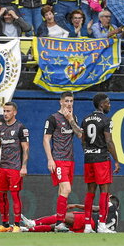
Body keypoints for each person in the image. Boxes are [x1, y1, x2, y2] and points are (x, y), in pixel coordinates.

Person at [43, 91, 82, 232]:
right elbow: (46, 139)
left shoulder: (73, 117)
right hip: (58, 159)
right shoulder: (53, 118)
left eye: (71, 101)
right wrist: (50, 159)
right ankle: (60, 222)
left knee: (62, 191)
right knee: (67, 189)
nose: (69, 104)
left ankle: (59, 222)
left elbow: (79, 135)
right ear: (61, 102)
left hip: (70, 160)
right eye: (66, 101)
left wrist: (71, 119)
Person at [81, 93, 120, 233]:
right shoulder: (106, 120)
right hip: (101, 159)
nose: (109, 105)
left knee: (90, 192)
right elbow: (108, 141)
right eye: (108, 103)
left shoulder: (85, 119)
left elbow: (83, 139)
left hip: (88, 159)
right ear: (101, 104)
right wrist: (116, 160)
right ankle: (102, 225)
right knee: (104, 192)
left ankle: (87, 226)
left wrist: (87, 151)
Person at [0, 102, 29, 233]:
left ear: (14, 112)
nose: (5, 114)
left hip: (15, 167)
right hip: (3, 167)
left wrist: (24, 166)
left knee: (15, 195)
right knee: (1, 195)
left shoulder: (21, 127)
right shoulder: (0, 129)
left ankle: (16, 225)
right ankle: (5, 225)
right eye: (4, 111)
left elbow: (26, 148)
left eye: (8, 111)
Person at [20, 195, 119, 233]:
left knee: (60, 217)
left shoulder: (110, 205)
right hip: (93, 229)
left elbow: (93, 208)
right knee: (56, 227)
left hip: (90, 221)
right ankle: (27, 230)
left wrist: (76, 205)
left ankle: (32, 223)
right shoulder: (115, 215)